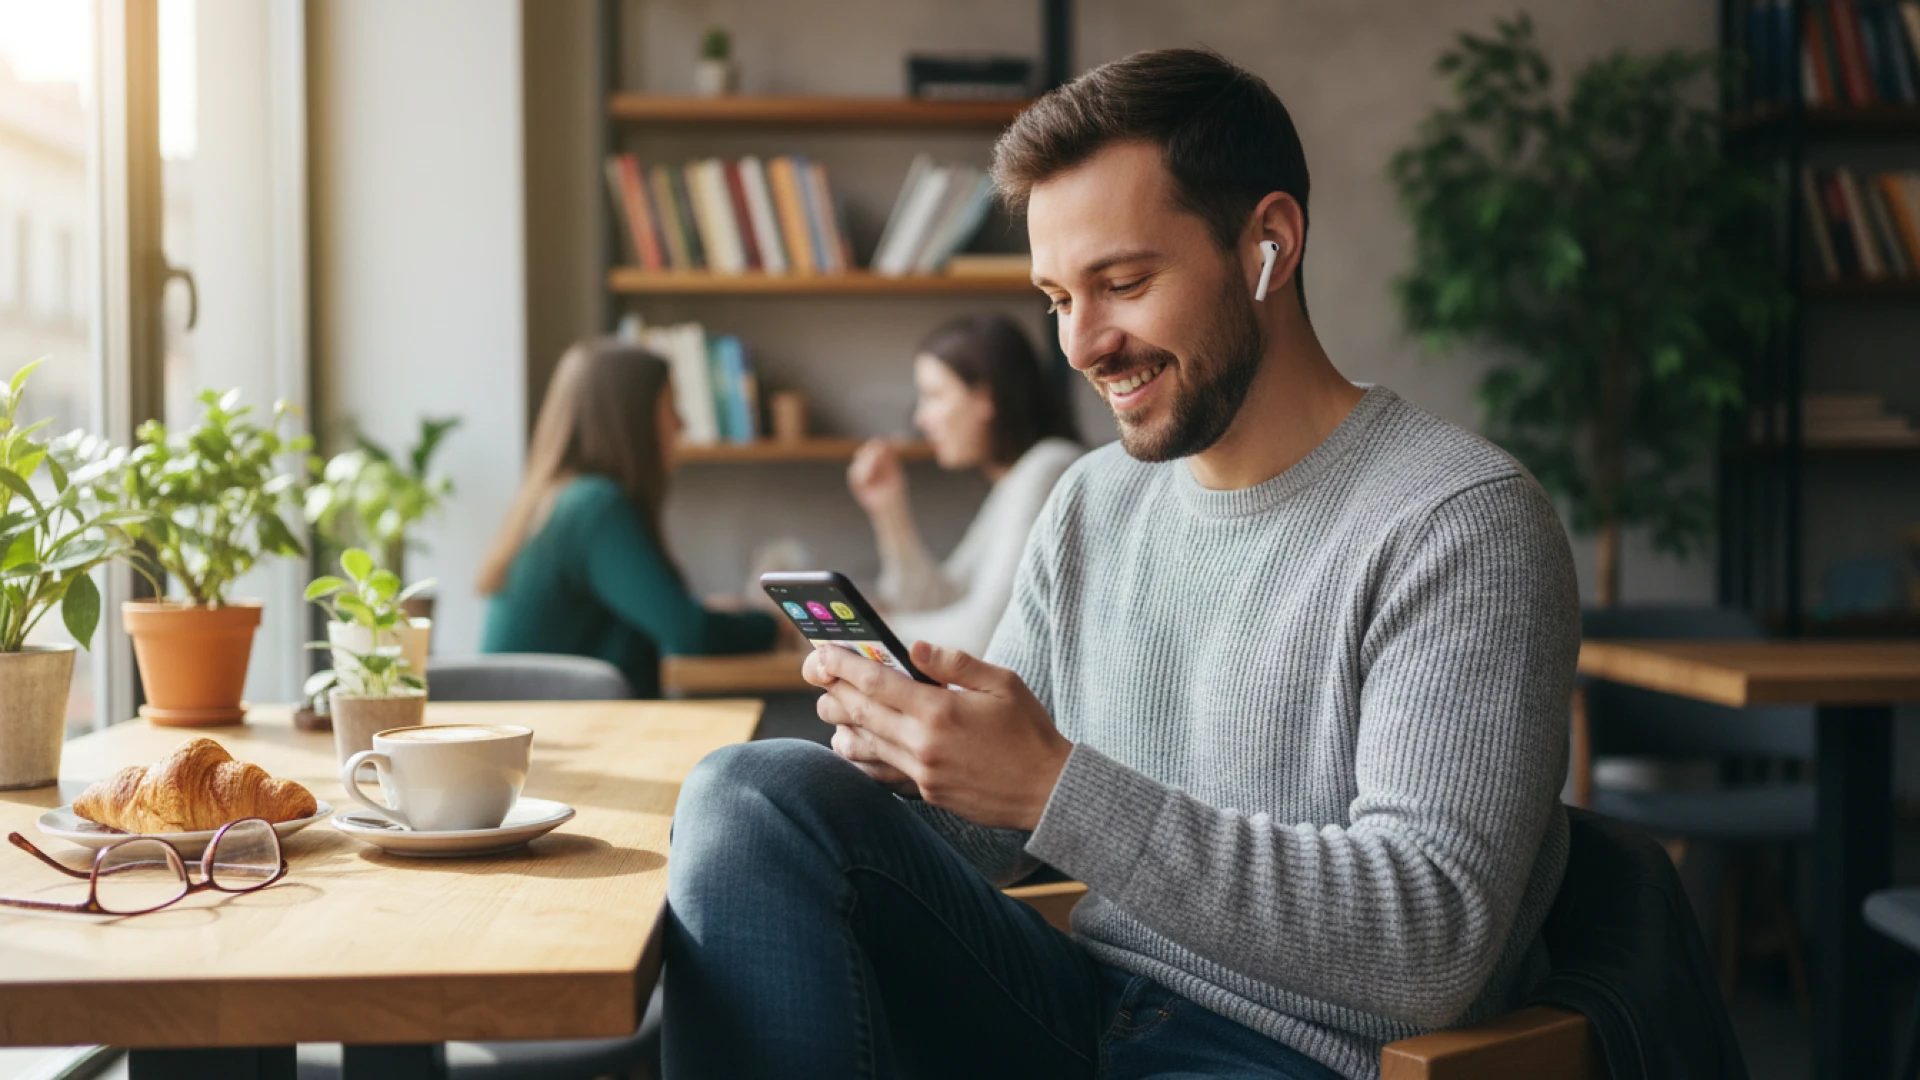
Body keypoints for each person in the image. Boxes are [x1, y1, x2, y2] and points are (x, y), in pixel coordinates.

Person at [664, 47, 1578, 1080]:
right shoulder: (1094, 503)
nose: (1082, 344)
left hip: (1289, 1053)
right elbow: (994, 841)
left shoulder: (1458, 524)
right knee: (751, 794)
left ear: (1268, 245)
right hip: (1079, 1005)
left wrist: (1053, 783)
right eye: (1057, 297)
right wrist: (921, 762)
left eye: (1124, 283)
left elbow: (1430, 942)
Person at [477, 339, 777, 698]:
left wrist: (707, 611)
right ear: (632, 419)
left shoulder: (559, 498)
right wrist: (776, 624)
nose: (681, 424)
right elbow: (690, 633)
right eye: (670, 406)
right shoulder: (595, 507)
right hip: (565, 740)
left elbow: (661, 616)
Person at [846, 314, 1082, 655]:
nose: (920, 419)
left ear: (984, 398)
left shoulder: (1049, 468)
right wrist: (889, 510)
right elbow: (938, 602)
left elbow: (986, 634)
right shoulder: (1013, 483)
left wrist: (871, 629)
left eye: (934, 395)